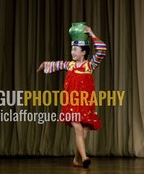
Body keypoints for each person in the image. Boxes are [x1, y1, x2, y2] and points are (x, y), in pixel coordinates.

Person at [37, 25, 107, 169]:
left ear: (83, 52)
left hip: (86, 105)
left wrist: (92, 34)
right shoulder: (69, 65)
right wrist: (45, 65)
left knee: (84, 131)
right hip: (72, 104)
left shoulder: (90, 65)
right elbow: (55, 64)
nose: (72, 52)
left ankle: (77, 159)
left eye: (75, 50)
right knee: (79, 130)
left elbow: (102, 50)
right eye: (72, 49)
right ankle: (85, 157)